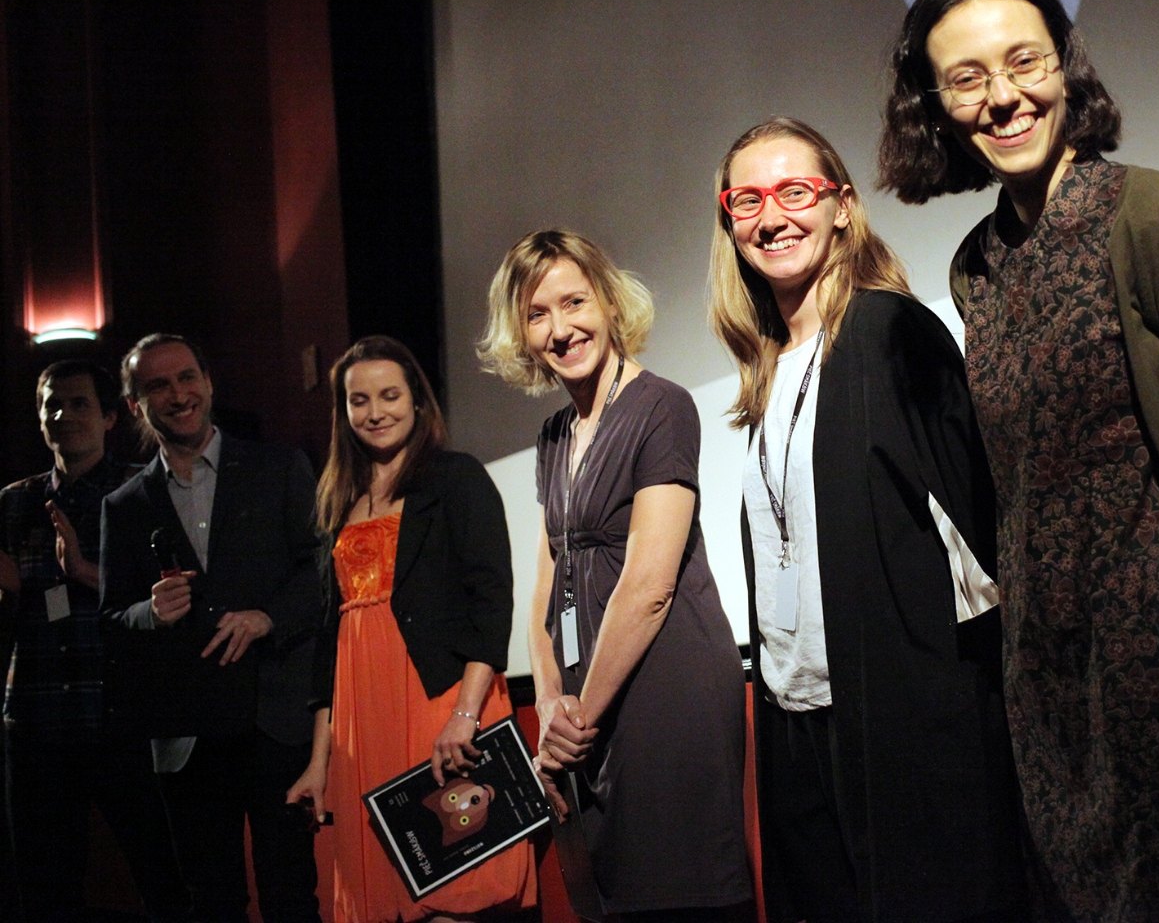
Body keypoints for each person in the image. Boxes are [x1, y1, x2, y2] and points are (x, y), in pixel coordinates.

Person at [878, 0, 1159, 920]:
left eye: (1025, 62)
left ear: (1066, 66)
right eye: (967, 78)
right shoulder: (974, 267)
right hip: (1051, 680)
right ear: (934, 107)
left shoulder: (1149, 213)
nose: (1003, 97)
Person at [708, 117, 1026, 923]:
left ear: (842, 206)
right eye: (748, 200)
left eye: (795, 192)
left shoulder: (891, 329)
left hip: (900, 722)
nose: (771, 217)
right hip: (796, 724)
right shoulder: (765, 370)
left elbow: (985, 532)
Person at [478, 229, 751, 920]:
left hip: (665, 685)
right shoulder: (553, 436)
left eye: (574, 302)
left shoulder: (662, 405)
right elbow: (546, 584)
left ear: (608, 299)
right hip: (583, 707)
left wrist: (579, 720)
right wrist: (550, 703)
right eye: (538, 314)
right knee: (612, 898)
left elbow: (650, 585)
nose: (560, 329)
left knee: (675, 895)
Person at [285, 336, 538, 921]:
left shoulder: (456, 478)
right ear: (343, 411)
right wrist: (321, 760)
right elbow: (327, 641)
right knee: (382, 891)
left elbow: (491, 602)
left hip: (441, 701)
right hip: (361, 716)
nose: (375, 412)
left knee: (453, 881)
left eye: (390, 396)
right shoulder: (337, 498)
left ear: (417, 401)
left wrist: (465, 715)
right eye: (359, 400)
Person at [100, 334, 322, 922]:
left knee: (291, 896)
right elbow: (111, 621)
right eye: (158, 386)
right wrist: (150, 612)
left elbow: (321, 571)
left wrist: (268, 617)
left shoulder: (278, 468)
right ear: (135, 405)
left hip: (274, 719)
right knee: (213, 903)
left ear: (208, 383)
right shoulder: (123, 505)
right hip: (187, 735)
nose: (178, 395)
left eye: (186, 378)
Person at [2, 360, 189, 921]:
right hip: (37, 717)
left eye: (79, 403)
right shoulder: (15, 502)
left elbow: (173, 595)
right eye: (51, 405)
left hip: (122, 715)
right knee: (44, 887)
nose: (63, 415)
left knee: (164, 877)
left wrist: (83, 570)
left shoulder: (142, 489)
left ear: (110, 416)